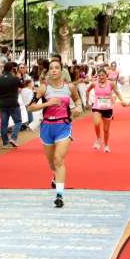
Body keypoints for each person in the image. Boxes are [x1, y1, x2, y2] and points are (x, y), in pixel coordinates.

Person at [28, 59, 82, 208]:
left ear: (61, 70)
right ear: (49, 71)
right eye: (51, 68)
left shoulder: (69, 87)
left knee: (59, 159)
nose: (54, 70)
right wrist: (47, 103)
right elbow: (30, 108)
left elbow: (78, 101)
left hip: (63, 126)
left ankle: (59, 195)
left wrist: (77, 109)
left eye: (57, 68)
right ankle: (55, 175)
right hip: (47, 127)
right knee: (52, 163)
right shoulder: (44, 89)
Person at [86, 67, 126, 153]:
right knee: (96, 123)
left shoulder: (111, 84)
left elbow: (117, 92)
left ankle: (106, 145)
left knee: (106, 130)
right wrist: (87, 102)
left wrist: (122, 100)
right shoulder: (94, 84)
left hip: (107, 108)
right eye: (99, 75)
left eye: (103, 75)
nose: (101, 77)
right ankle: (98, 138)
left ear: (106, 76)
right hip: (97, 107)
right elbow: (87, 90)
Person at [0, 62, 24, 148]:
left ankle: (5, 143)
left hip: (2, 104)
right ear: (12, 69)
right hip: (13, 103)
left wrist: (2, 91)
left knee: (4, 124)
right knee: (18, 121)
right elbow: (22, 85)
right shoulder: (15, 78)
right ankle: (13, 137)